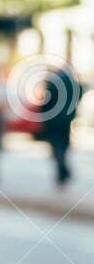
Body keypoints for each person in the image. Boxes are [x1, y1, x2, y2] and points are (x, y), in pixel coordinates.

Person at [34, 59, 83, 187]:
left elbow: (46, 102)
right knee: (63, 145)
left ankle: (63, 171)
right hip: (67, 120)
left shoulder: (53, 82)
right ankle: (63, 172)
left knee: (56, 147)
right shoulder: (73, 82)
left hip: (53, 120)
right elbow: (80, 93)